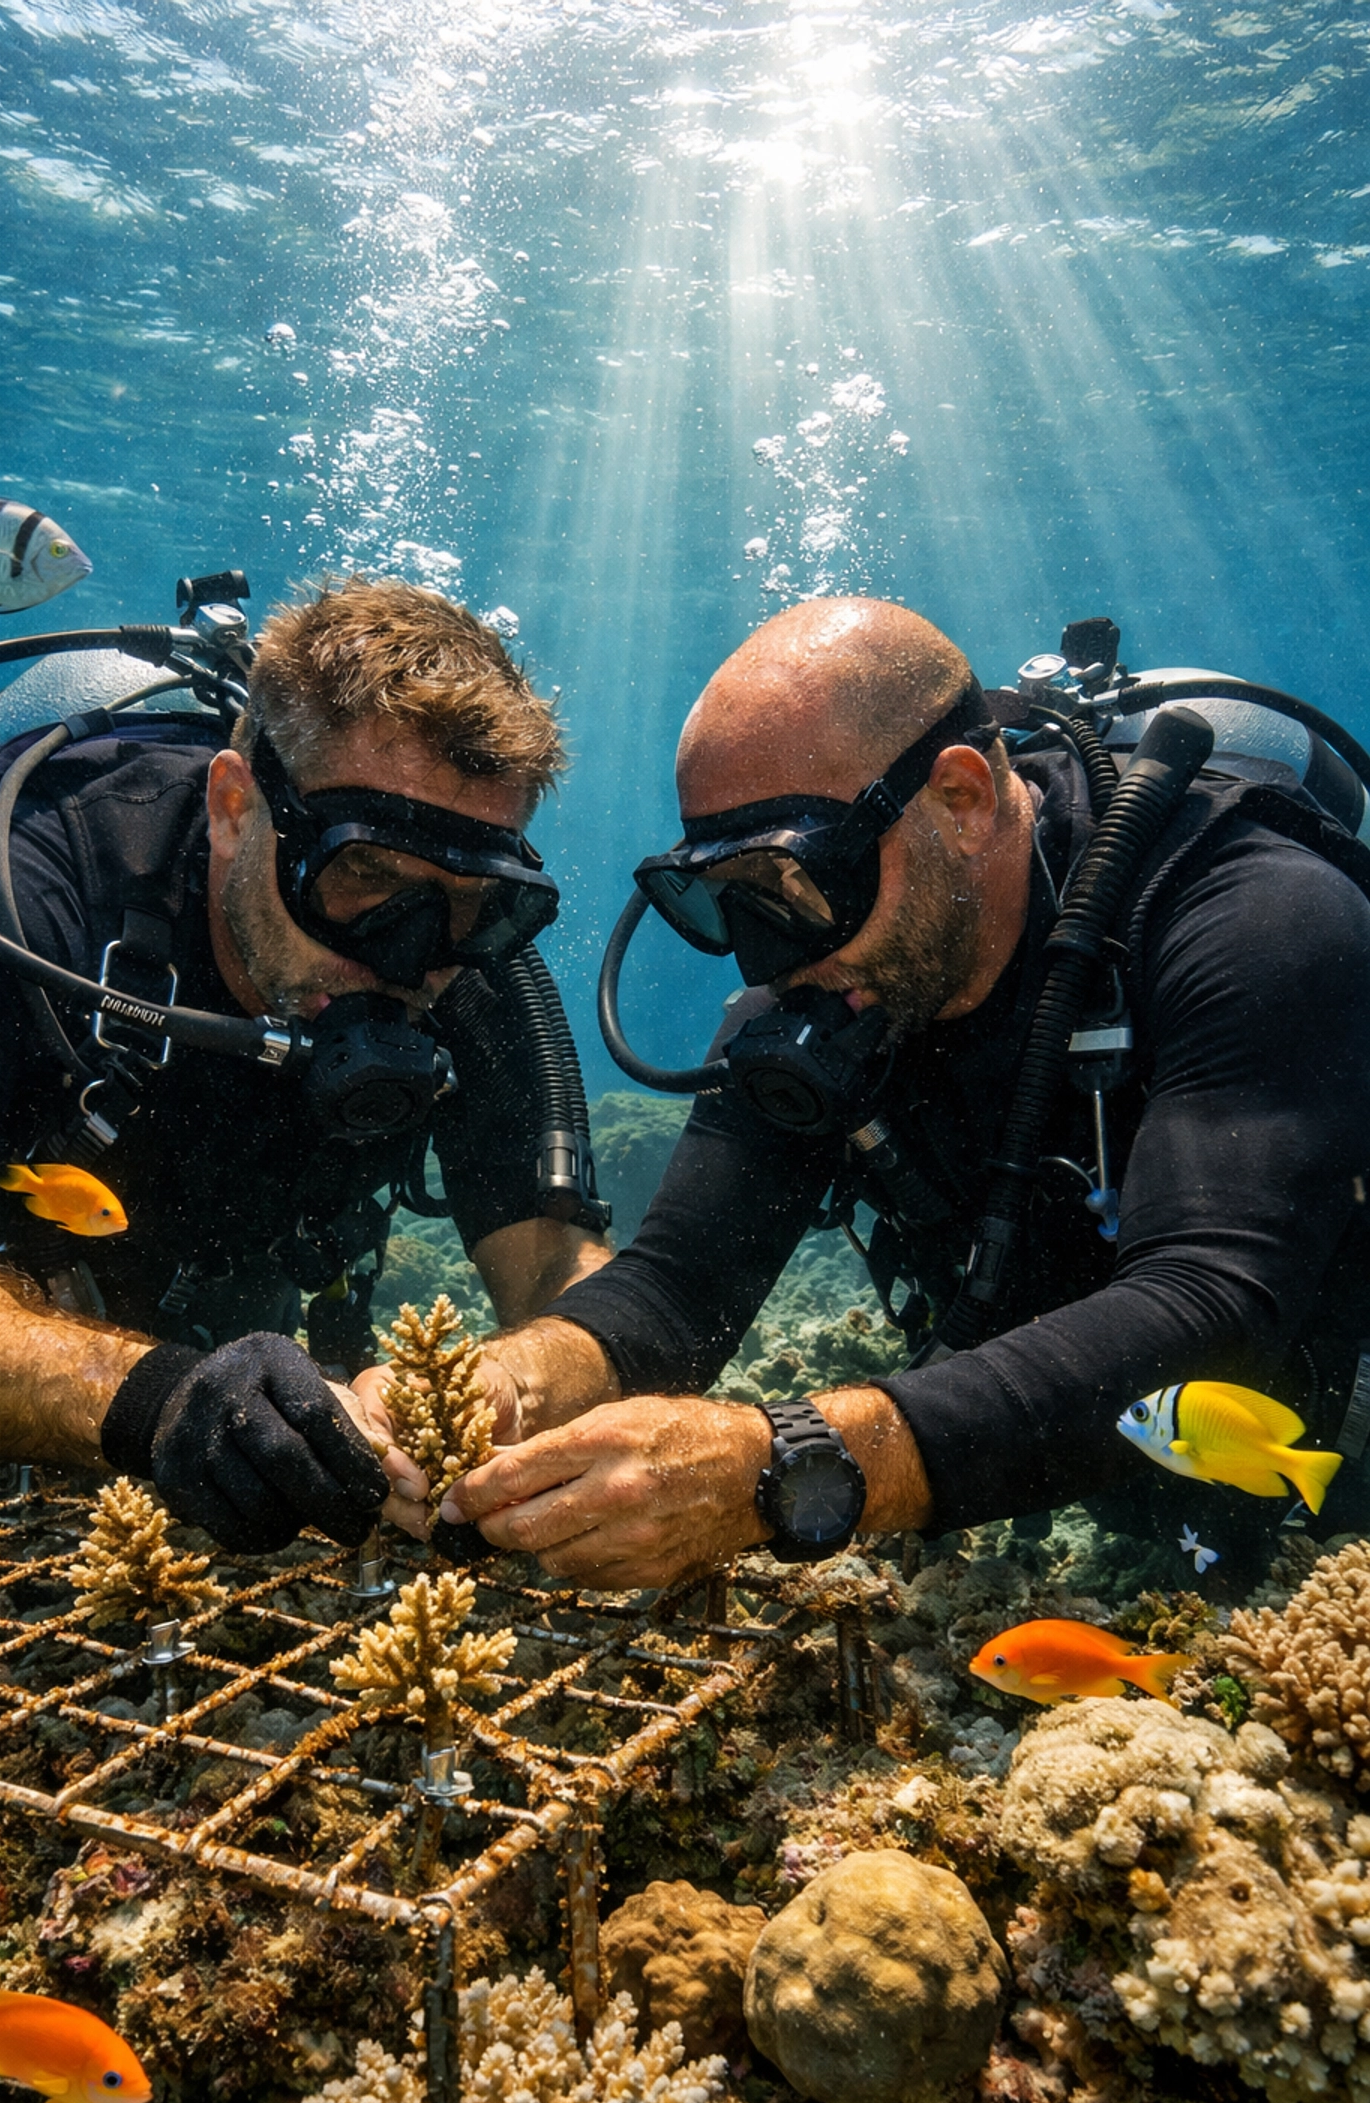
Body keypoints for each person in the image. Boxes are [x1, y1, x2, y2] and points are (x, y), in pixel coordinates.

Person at [354, 595, 1370, 1587]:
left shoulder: (1257, 917)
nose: (772, 963)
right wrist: (502, 1384)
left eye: (798, 886)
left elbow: (1212, 1304)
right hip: (1109, 1461)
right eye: (734, 905)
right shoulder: (831, 997)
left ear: (963, 801)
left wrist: (789, 1462)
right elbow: (674, 1290)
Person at [0, 576, 609, 1552]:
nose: (411, 956)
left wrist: (496, 1388)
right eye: (363, 875)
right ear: (237, 807)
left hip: (236, 1284)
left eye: (466, 902)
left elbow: (562, 1268)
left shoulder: (475, 972)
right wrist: (154, 1397)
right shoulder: (0, 894)